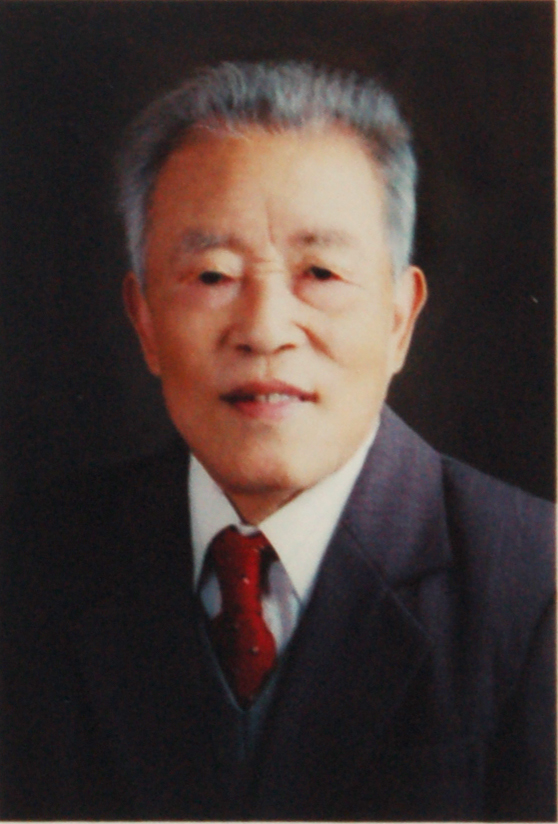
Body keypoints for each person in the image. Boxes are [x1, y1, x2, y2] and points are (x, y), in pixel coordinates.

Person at [3, 61, 554, 821]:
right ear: (145, 321)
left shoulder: (534, 587)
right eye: (212, 276)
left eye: (320, 272)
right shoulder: (30, 564)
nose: (264, 331)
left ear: (399, 319)